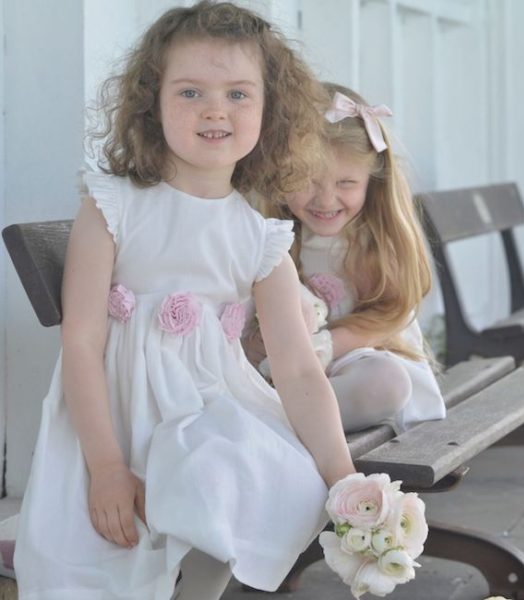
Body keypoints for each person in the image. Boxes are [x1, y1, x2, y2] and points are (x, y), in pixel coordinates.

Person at [14, 4, 355, 599]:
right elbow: (82, 340)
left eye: (239, 94)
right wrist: (107, 468)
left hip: (203, 421)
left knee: (267, 478)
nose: (215, 109)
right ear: (153, 101)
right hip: (114, 424)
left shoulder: (260, 235)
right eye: (191, 90)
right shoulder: (115, 207)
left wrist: (345, 481)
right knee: (93, 560)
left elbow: (299, 369)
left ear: (270, 110)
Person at [245, 82, 446, 434]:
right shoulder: (270, 235)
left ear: (372, 181)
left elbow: (388, 316)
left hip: (360, 359)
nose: (326, 200)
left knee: (385, 383)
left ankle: (274, 423)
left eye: (346, 184)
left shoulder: (374, 242)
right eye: (308, 180)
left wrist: (323, 347)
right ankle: (276, 416)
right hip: (287, 371)